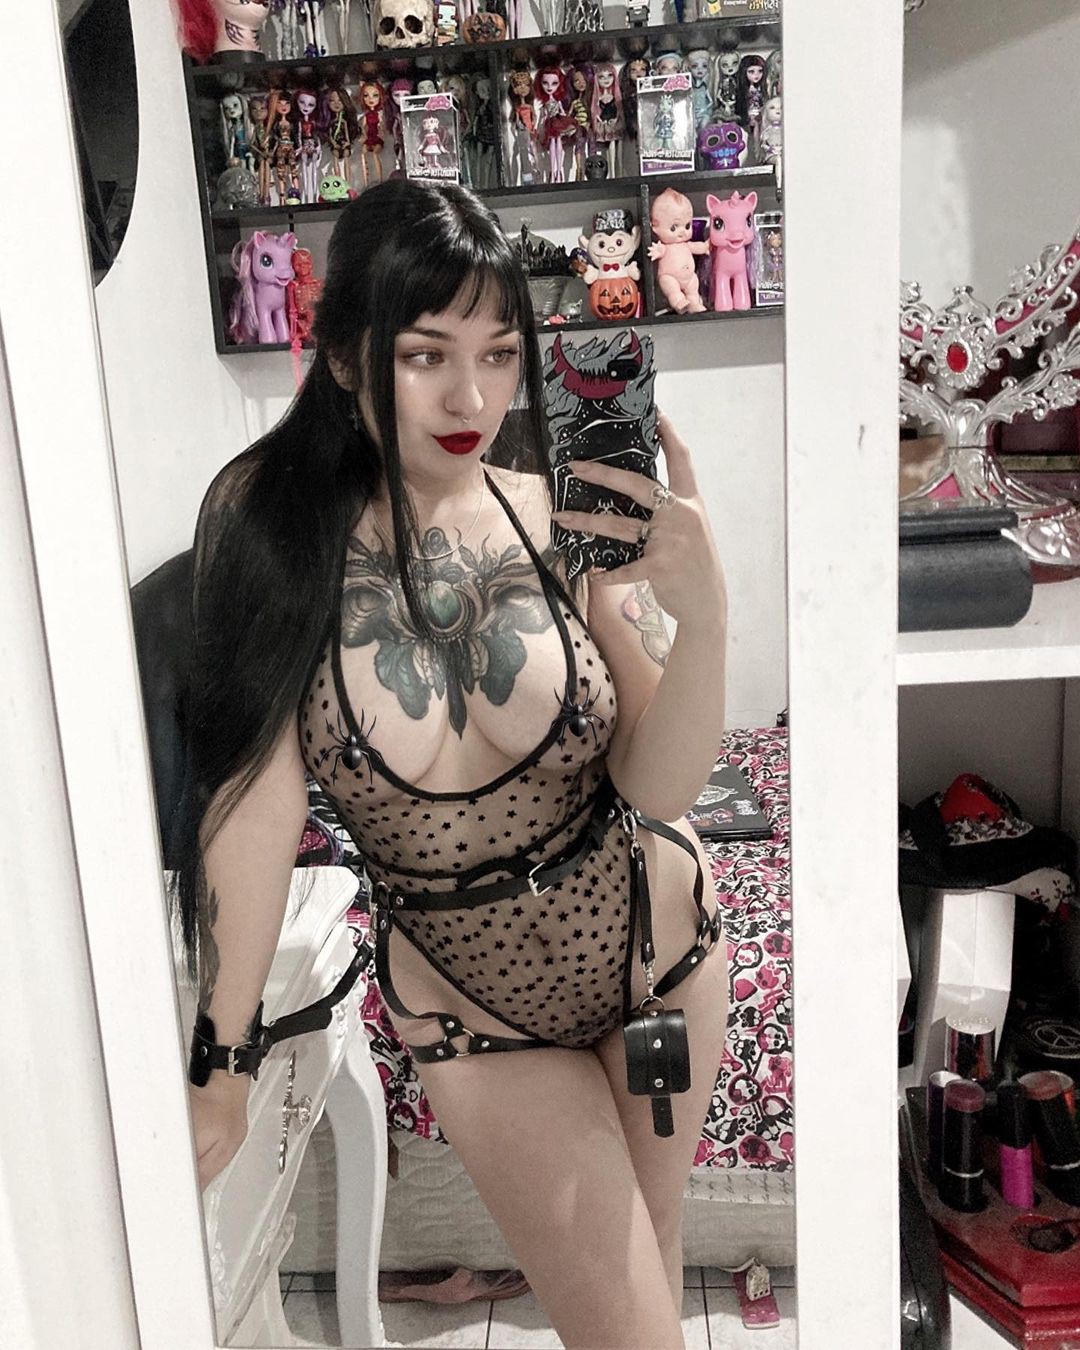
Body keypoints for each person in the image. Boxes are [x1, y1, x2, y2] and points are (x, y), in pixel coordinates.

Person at [177, 179, 729, 1350]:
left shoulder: (557, 514)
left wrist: (709, 619)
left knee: (654, 1257)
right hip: (478, 1010)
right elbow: (252, 802)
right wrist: (222, 1058)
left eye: (499, 354)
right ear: (344, 356)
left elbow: (659, 786)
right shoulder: (270, 529)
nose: (471, 397)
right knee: (629, 1329)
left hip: (657, 957)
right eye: (426, 354)